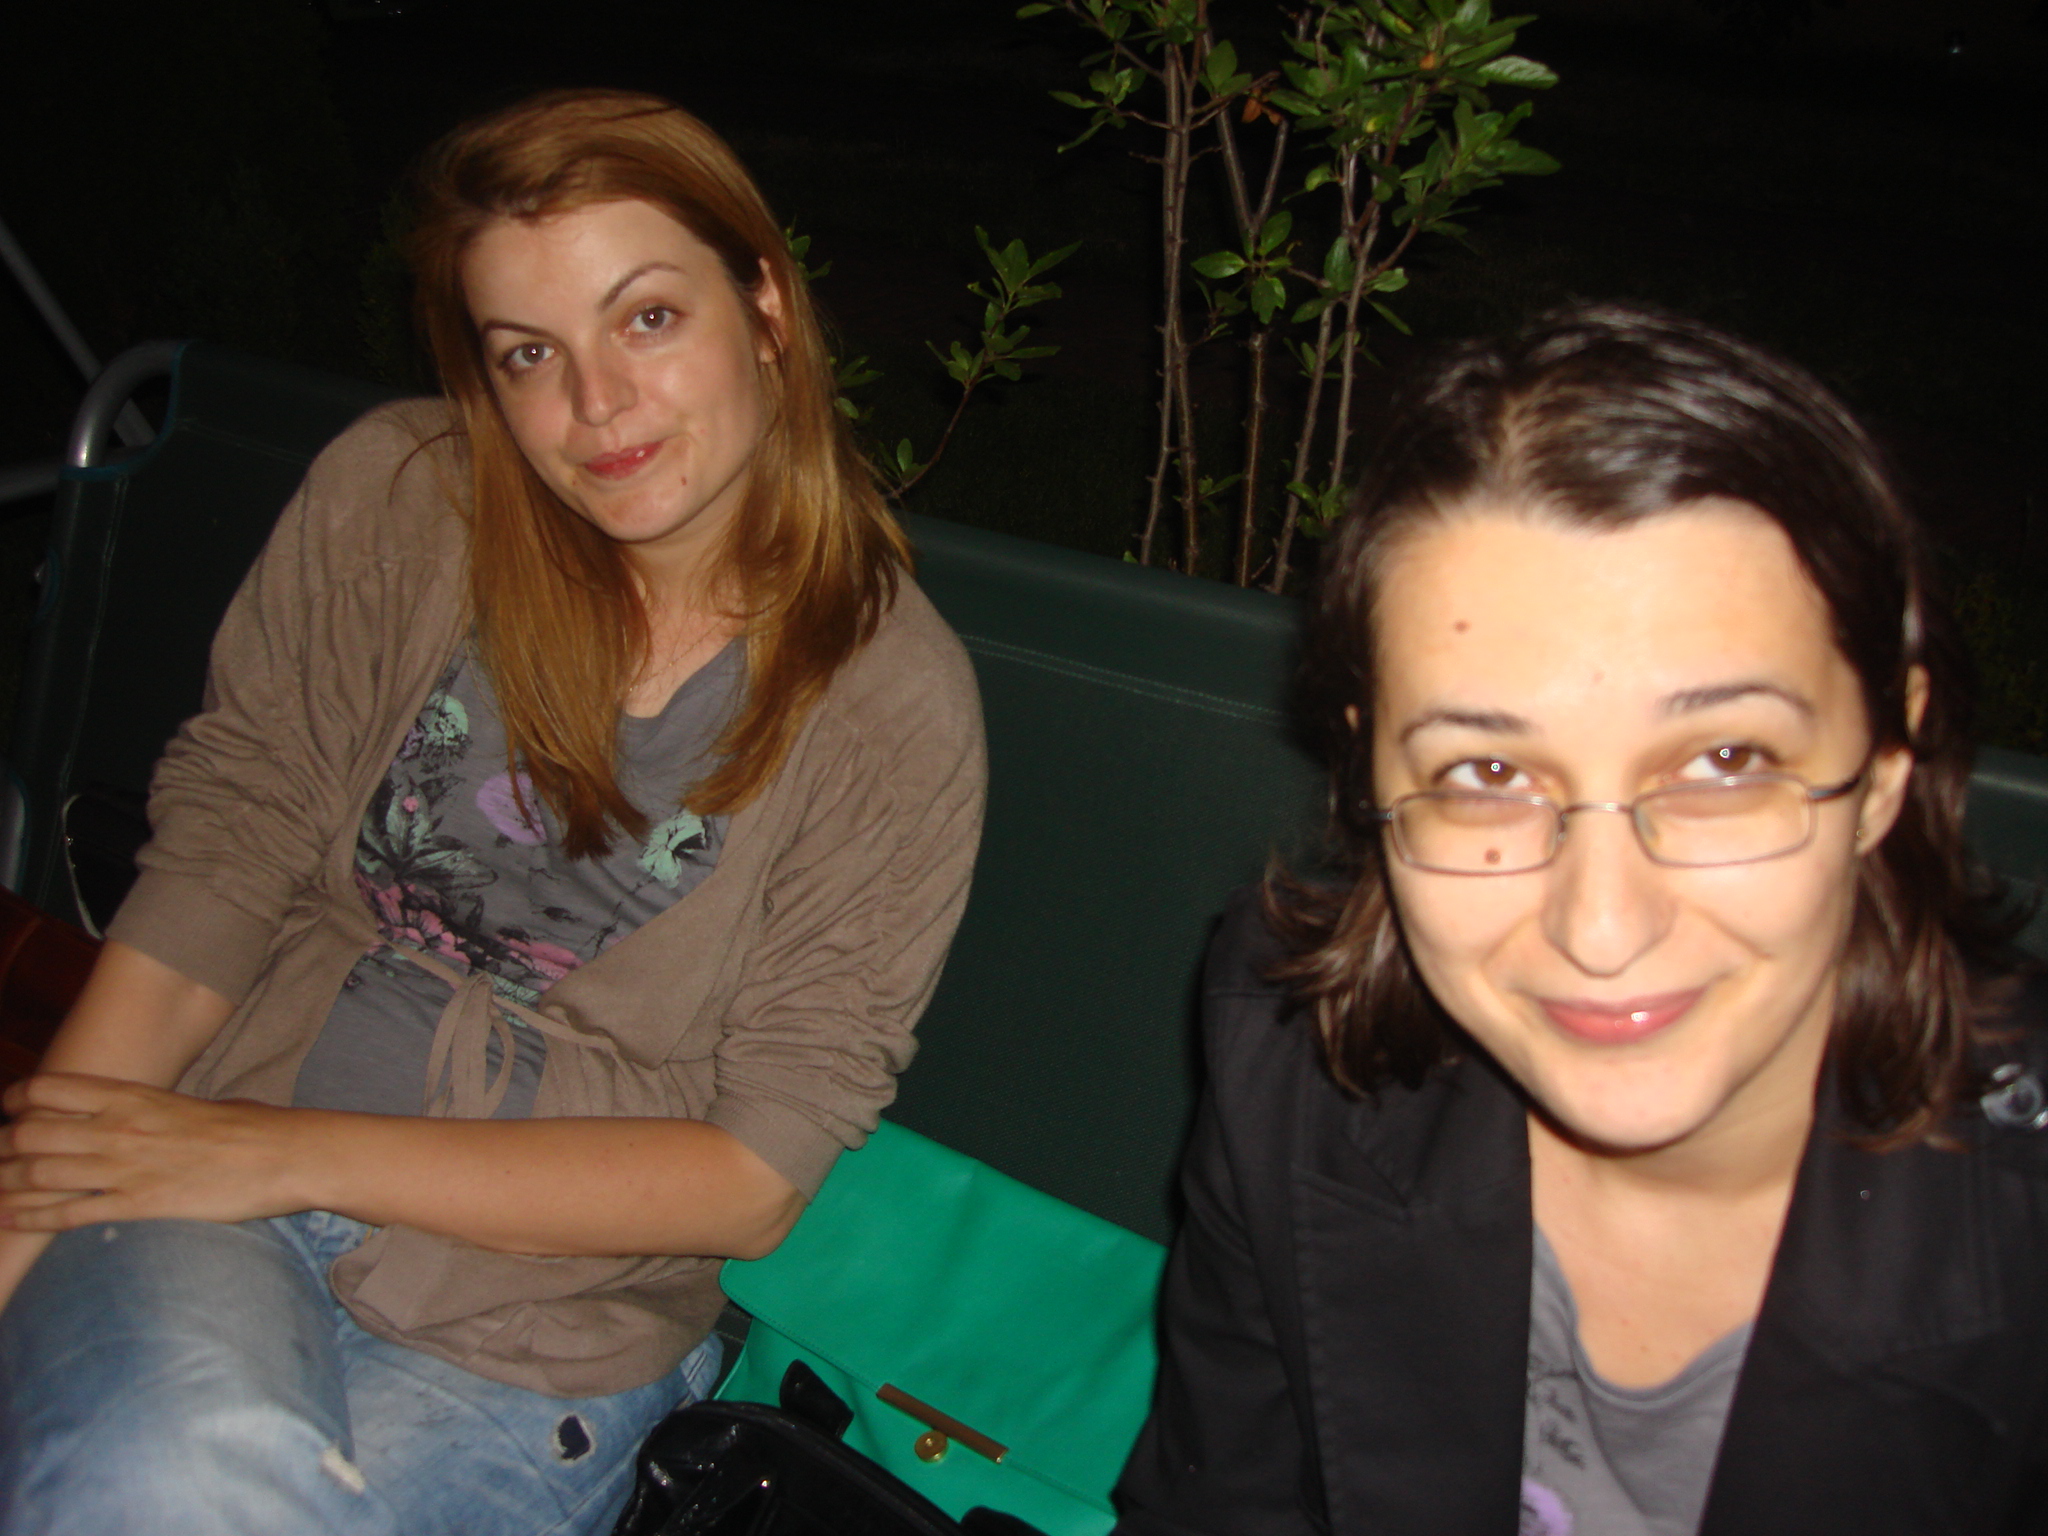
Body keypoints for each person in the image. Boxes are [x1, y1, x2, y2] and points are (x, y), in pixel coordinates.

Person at [0, 88, 984, 1536]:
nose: (597, 405)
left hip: (543, 1329)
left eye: (647, 318)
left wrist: (278, 1152)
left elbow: (749, 1176)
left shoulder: (891, 707)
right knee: (184, 1474)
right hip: (212, 1195)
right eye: (531, 352)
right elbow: (230, 842)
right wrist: (33, 1208)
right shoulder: (407, 506)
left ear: (766, 308)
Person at [1114, 304, 2048, 1535]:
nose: (1599, 930)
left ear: (1885, 763)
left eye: (1723, 760)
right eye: (1486, 773)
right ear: (1366, 769)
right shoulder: (1288, 1049)